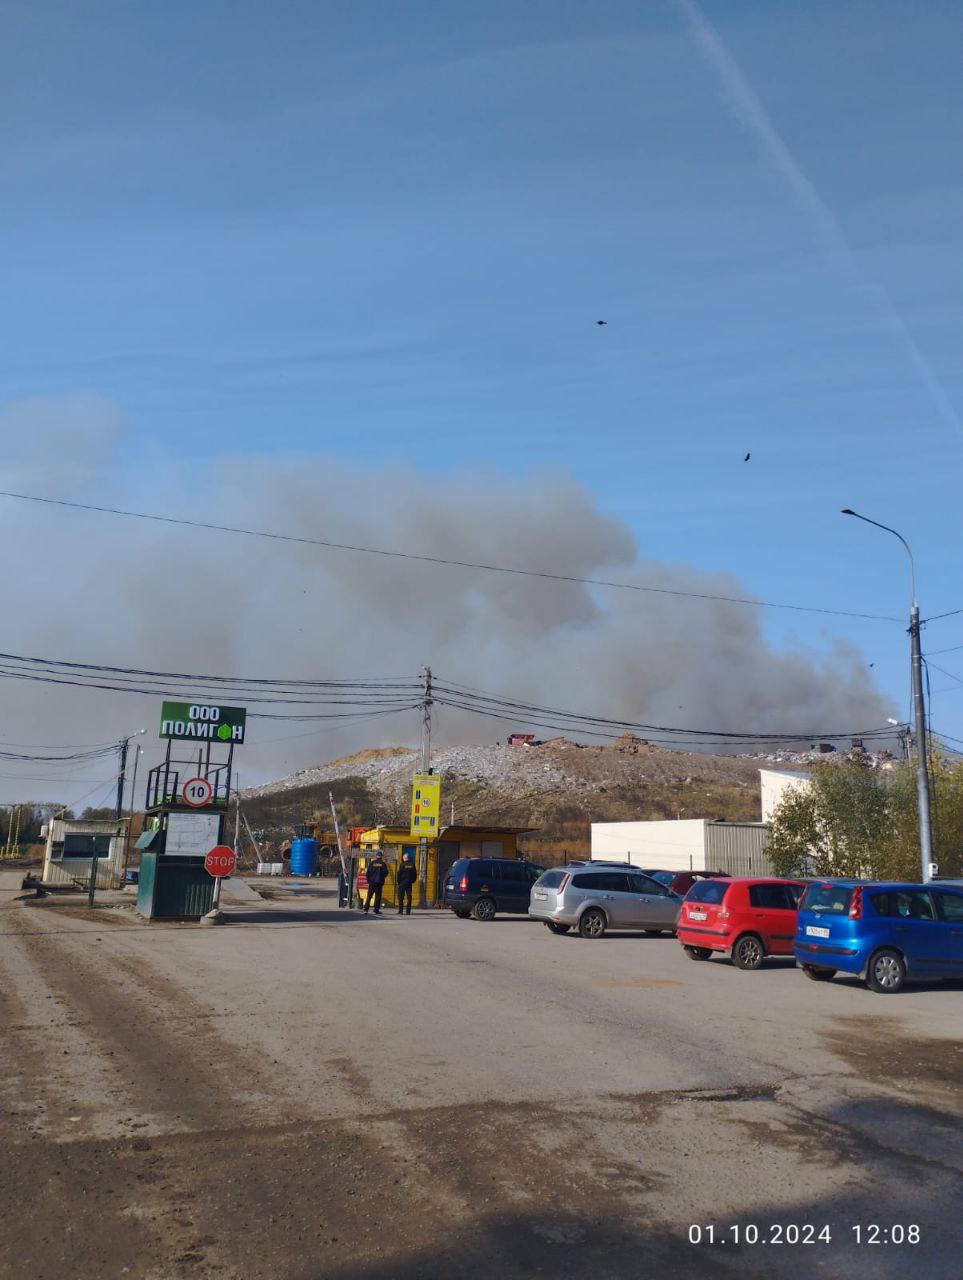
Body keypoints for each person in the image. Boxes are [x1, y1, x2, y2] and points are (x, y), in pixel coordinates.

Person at [363, 850, 389, 915]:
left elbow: (368, 873)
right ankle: (376, 910)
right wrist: (382, 878)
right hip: (379, 883)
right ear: (381, 857)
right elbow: (385, 873)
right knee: (378, 897)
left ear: (376, 856)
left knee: (369, 896)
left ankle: (366, 909)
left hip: (372, 882)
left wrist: (369, 880)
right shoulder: (383, 864)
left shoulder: (372, 863)